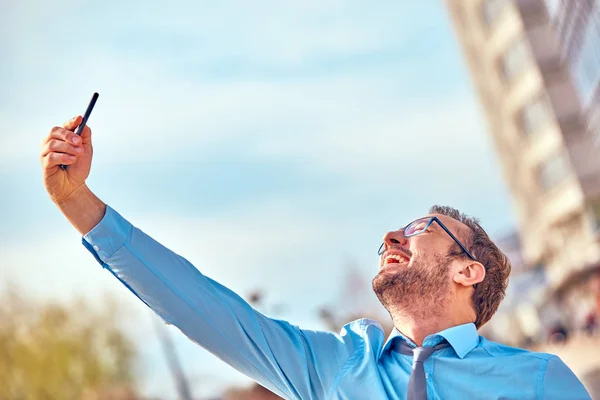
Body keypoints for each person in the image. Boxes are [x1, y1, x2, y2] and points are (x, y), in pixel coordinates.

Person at [40, 116, 591, 400]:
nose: (392, 237)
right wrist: (79, 204)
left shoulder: (538, 381)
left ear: (467, 271)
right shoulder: (333, 366)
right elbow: (199, 305)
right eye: (394, 233)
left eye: (422, 228)